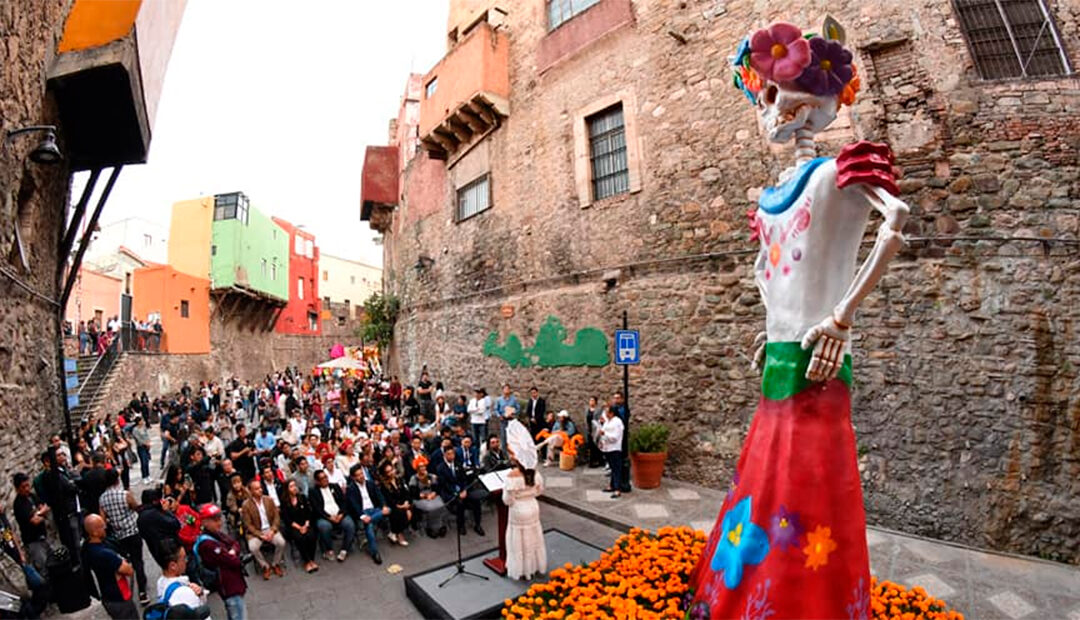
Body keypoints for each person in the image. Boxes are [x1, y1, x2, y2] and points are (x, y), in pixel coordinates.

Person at [503, 418, 547, 580]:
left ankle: (522, 570)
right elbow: (539, 491)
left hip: (518, 510)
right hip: (533, 507)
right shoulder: (535, 473)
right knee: (533, 537)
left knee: (519, 541)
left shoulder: (512, 476)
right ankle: (534, 566)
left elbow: (507, 500)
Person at [99, 469, 149, 606]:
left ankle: (127, 591)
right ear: (117, 480)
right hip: (132, 531)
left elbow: (103, 520)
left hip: (118, 536)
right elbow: (137, 507)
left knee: (125, 562)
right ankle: (142, 592)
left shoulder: (102, 499)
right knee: (138, 561)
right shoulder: (125, 494)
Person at [195, 504, 247, 620]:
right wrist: (232, 553)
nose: (219, 523)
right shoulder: (207, 544)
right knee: (237, 614)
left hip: (234, 582)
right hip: (228, 586)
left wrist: (231, 552)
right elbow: (233, 561)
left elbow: (235, 543)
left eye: (219, 519)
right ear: (204, 522)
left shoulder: (216, 533)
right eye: (214, 520)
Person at [82, 514, 138, 619]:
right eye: (102, 527)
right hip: (119, 598)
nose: (105, 528)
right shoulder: (105, 554)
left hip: (107, 597)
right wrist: (121, 560)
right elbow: (129, 570)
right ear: (95, 532)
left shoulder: (86, 549)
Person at [240, 480, 286, 580]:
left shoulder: (269, 500)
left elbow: (276, 517)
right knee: (253, 547)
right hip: (256, 532)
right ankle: (265, 566)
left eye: (260, 488)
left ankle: (275, 563)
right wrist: (260, 535)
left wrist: (273, 530)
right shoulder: (246, 505)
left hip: (270, 529)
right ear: (251, 491)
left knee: (281, 543)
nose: (260, 490)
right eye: (256, 489)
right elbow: (248, 524)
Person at [344, 464, 388, 564]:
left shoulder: (370, 483)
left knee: (388, 510)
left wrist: (384, 505)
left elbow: (379, 496)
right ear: (353, 477)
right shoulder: (351, 489)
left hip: (375, 510)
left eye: (362, 474)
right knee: (369, 526)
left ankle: (373, 518)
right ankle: (375, 552)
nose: (361, 476)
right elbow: (354, 506)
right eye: (358, 475)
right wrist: (363, 516)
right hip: (363, 512)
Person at [308, 469, 356, 563]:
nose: (325, 480)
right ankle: (328, 549)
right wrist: (329, 517)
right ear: (317, 481)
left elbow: (344, 502)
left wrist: (341, 514)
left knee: (350, 524)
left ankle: (344, 549)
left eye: (326, 477)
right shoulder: (313, 491)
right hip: (324, 517)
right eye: (322, 479)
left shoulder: (335, 486)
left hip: (339, 514)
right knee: (325, 526)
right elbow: (317, 508)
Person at [436, 445, 484, 537]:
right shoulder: (440, 468)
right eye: (448, 454)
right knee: (460, 503)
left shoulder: (458, 464)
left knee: (476, 501)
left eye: (452, 454)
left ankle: (477, 525)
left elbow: (464, 479)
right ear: (444, 455)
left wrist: (464, 490)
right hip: (450, 493)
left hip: (462, 491)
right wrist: (457, 493)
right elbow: (444, 485)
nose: (451, 456)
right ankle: (461, 526)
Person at [154, 538, 210, 617]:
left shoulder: (161, 582)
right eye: (183, 558)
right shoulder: (185, 593)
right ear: (173, 566)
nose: (186, 561)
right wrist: (200, 595)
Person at [11, 473, 51, 578]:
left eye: (28, 485)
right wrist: (41, 514)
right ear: (17, 488)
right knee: (43, 568)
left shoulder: (31, 496)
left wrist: (39, 513)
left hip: (43, 536)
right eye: (23, 487)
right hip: (33, 541)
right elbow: (35, 521)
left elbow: (45, 507)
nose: (27, 489)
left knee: (51, 562)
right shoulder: (19, 504)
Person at [279, 479, 319, 573]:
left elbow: (308, 513)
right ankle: (307, 561)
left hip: (305, 523)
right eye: (291, 486)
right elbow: (287, 519)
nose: (294, 488)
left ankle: (312, 559)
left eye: (295, 486)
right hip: (294, 526)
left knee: (311, 536)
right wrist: (299, 528)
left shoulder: (302, 497)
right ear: (287, 489)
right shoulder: (284, 502)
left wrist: (306, 525)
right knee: (300, 538)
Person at [137, 488, 181, 569]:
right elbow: (175, 524)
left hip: (156, 551)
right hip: (170, 549)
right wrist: (167, 511)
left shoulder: (141, 515)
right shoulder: (154, 514)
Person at [407, 457, 447, 538]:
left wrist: (433, 493)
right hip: (420, 498)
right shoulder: (413, 478)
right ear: (417, 468)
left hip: (431, 495)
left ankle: (439, 525)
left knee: (441, 505)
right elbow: (414, 493)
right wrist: (425, 496)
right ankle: (431, 528)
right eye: (420, 467)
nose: (423, 468)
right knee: (431, 508)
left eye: (424, 466)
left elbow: (436, 488)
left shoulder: (430, 476)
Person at [377, 462, 411, 547]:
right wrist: (402, 507)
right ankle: (399, 534)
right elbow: (389, 500)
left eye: (391, 470)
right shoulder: (384, 485)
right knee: (398, 513)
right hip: (393, 505)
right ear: (385, 474)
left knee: (412, 509)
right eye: (388, 472)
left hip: (403, 502)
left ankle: (393, 532)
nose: (391, 473)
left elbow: (405, 492)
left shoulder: (399, 479)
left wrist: (406, 502)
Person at [598, 407, 625, 499]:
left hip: (614, 448)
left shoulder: (617, 422)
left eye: (607, 412)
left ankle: (617, 489)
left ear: (612, 413)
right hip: (607, 448)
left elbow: (615, 437)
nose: (605, 413)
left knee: (616, 469)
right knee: (612, 468)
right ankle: (612, 485)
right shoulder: (607, 421)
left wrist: (604, 434)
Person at [131, 417, 153, 484]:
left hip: (146, 446)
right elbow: (138, 439)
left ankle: (148, 475)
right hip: (141, 447)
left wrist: (149, 442)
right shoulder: (135, 430)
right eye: (141, 420)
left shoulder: (144, 428)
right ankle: (144, 476)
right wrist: (145, 443)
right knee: (143, 462)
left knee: (147, 461)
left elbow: (147, 435)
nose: (143, 421)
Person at [584, 397, 603, 468]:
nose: (591, 402)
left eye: (592, 400)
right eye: (590, 400)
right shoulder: (587, 409)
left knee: (596, 445)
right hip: (589, 429)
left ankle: (597, 460)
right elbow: (585, 418)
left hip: (595, 428)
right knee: (590, 445)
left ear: (595, 402)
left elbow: (599, 419)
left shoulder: (598, 410)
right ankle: (591, 461)